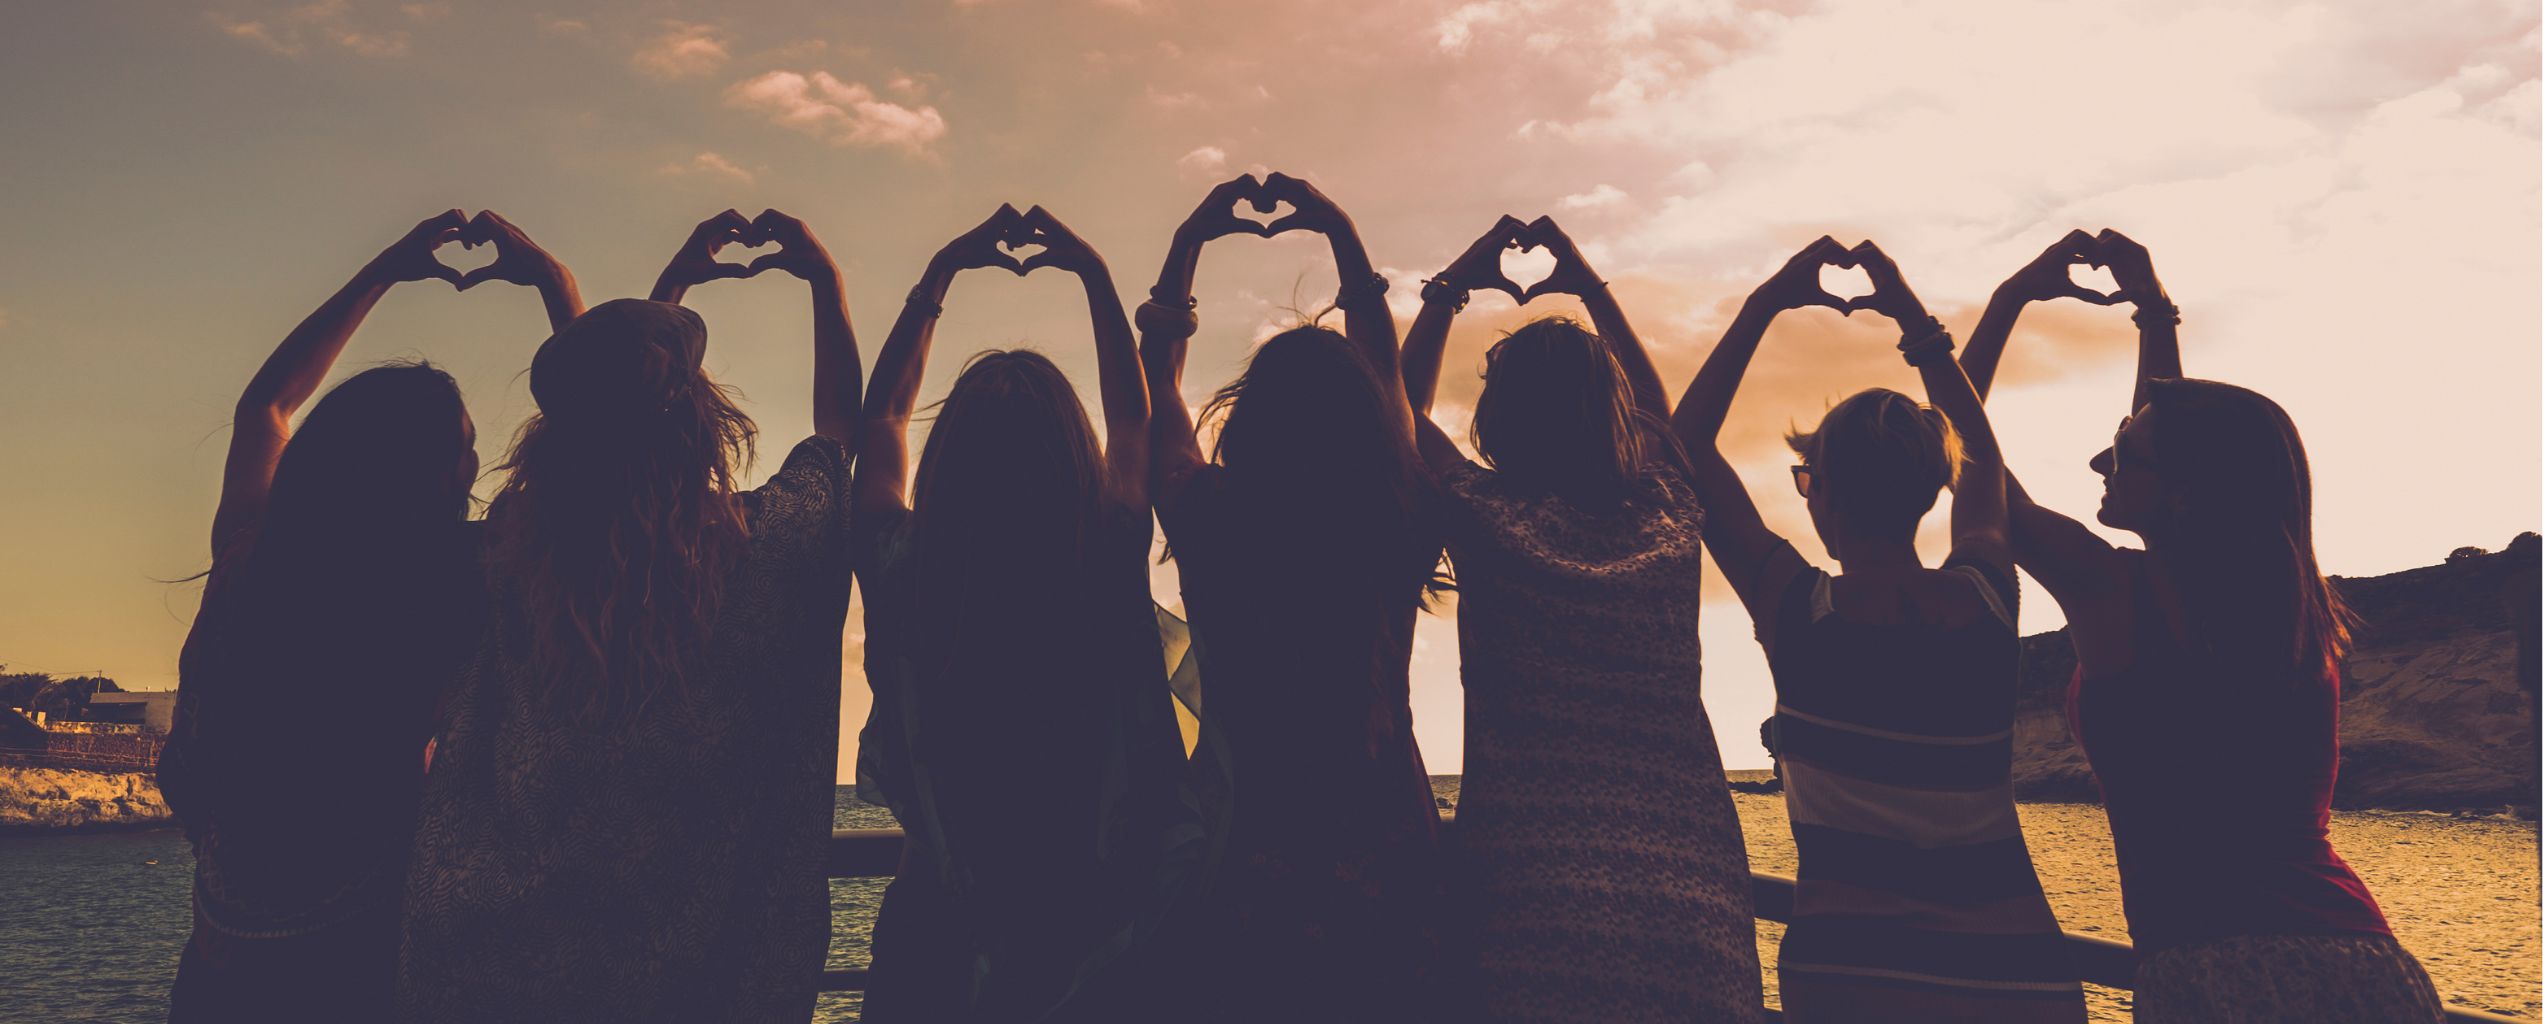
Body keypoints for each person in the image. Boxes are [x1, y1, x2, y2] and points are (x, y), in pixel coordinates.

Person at [1960, 229, 2443, 1023]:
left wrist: (2011, 297)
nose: (2099, 463)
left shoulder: (2113, 591)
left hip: (2222, 973)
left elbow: (1962, 451)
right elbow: (2175, 439)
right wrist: (2152, 312)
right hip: (2365, 962)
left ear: (2182, 493)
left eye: (2121, 454)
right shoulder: (2281, 607)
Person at [395, 210, 858, 1024]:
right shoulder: (769, 542)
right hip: (704, 986)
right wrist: (823, 278)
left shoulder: (515, 551)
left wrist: (607, 291)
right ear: (704, 422)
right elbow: (840, 435)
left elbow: (602, 415)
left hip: (488, 970)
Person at [160, 209, 581, 1023]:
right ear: (441, 471)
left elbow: (267, 406)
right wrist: (553, 285)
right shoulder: (458, 574)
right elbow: (608, 447)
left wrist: (385, 268)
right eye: (465, 443)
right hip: (368, 952)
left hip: (224, 959)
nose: (475, 457)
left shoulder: (252, 559)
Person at [1676, 237, 2084, 1022]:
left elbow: (1685, 445)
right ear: (1933, 492)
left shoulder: (1797, 611)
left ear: (1822, 493)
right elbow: (1982, 456)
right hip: (2019, 974)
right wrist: (1910, 317)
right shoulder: (1986, 601)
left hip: (1849, 975)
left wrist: (1767, 301)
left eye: (1805, 479)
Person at [1398, 214, 1762, 1023]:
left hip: (1525, 902)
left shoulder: (1487, 516)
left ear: (1498, 418)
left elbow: (1399, 409)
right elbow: (1658, 417)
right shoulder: (1668, 515)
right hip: (1690, 902)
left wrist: (1449, 289)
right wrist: (1586, 284)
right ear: (1616, 414)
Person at [851, 205, 1195, 1022]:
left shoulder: (902, 569)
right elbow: (1133, 420)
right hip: (1089, 938)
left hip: (937, 938)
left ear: (947, 460)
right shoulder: (1104, 551)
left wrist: (939, 274)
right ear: (1070, 452)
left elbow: (882, 420)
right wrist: (1093, 276)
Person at [1138, 173, 1449, 1022]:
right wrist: (1339, 233)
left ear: (1250, 418)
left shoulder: (1210, 516)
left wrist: (1189, 243)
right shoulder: (1393, 515)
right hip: (1386, 850)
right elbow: (1390, 391)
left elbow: (1156, 390)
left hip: (1247, 856)